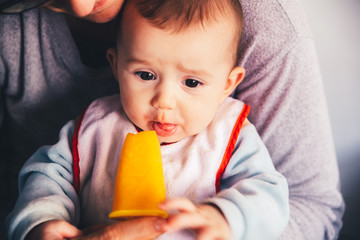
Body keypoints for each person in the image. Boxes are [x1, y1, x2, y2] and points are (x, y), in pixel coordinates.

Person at [0, 0, 344, 239]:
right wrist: (40, 222)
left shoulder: (230, 135)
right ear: (116, 64)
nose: (164, 101)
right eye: (145, 75)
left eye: (191, 83)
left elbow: (271, 195)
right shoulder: (93, 126)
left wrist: (226, 219)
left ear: (228, 84)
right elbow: (45, 176)